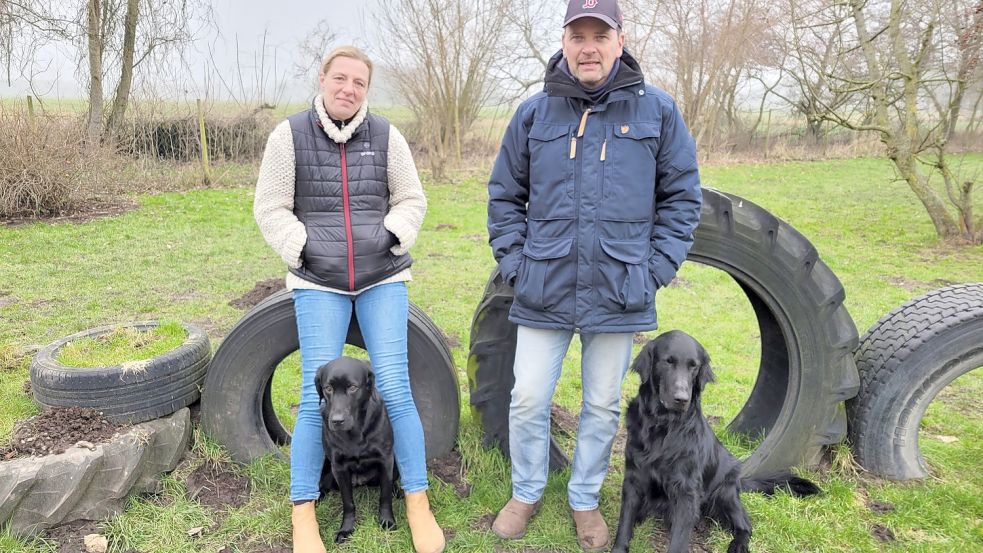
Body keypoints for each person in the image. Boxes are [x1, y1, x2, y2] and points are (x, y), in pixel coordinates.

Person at [486, 0, 703, 550]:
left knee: (603, 404)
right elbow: (504, 196)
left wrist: (654, 269)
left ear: (619, 39)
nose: (588, 46)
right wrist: (516, 263)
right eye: (577, 34)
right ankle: (526, 491)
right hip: (544, 285)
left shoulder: (657, 111)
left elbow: (682, 197)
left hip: (620, 287)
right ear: (564, 42)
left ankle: (585, 499)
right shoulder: (534, 114)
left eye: (599, 34)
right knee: (528, 397)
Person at [253, 45, 444, 553]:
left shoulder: (385, 135)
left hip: (382, 277)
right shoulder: (288, 136)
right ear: (323, 79)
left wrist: (390, 235)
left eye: (359, 82)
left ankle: (417, 503)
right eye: (340, 78)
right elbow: (269, 207)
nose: (348, 89)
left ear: (366, 89)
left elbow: (412, 199)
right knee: (314, 399)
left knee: (396, 391)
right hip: (318, 281)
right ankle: (303, 513)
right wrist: (304, 247)